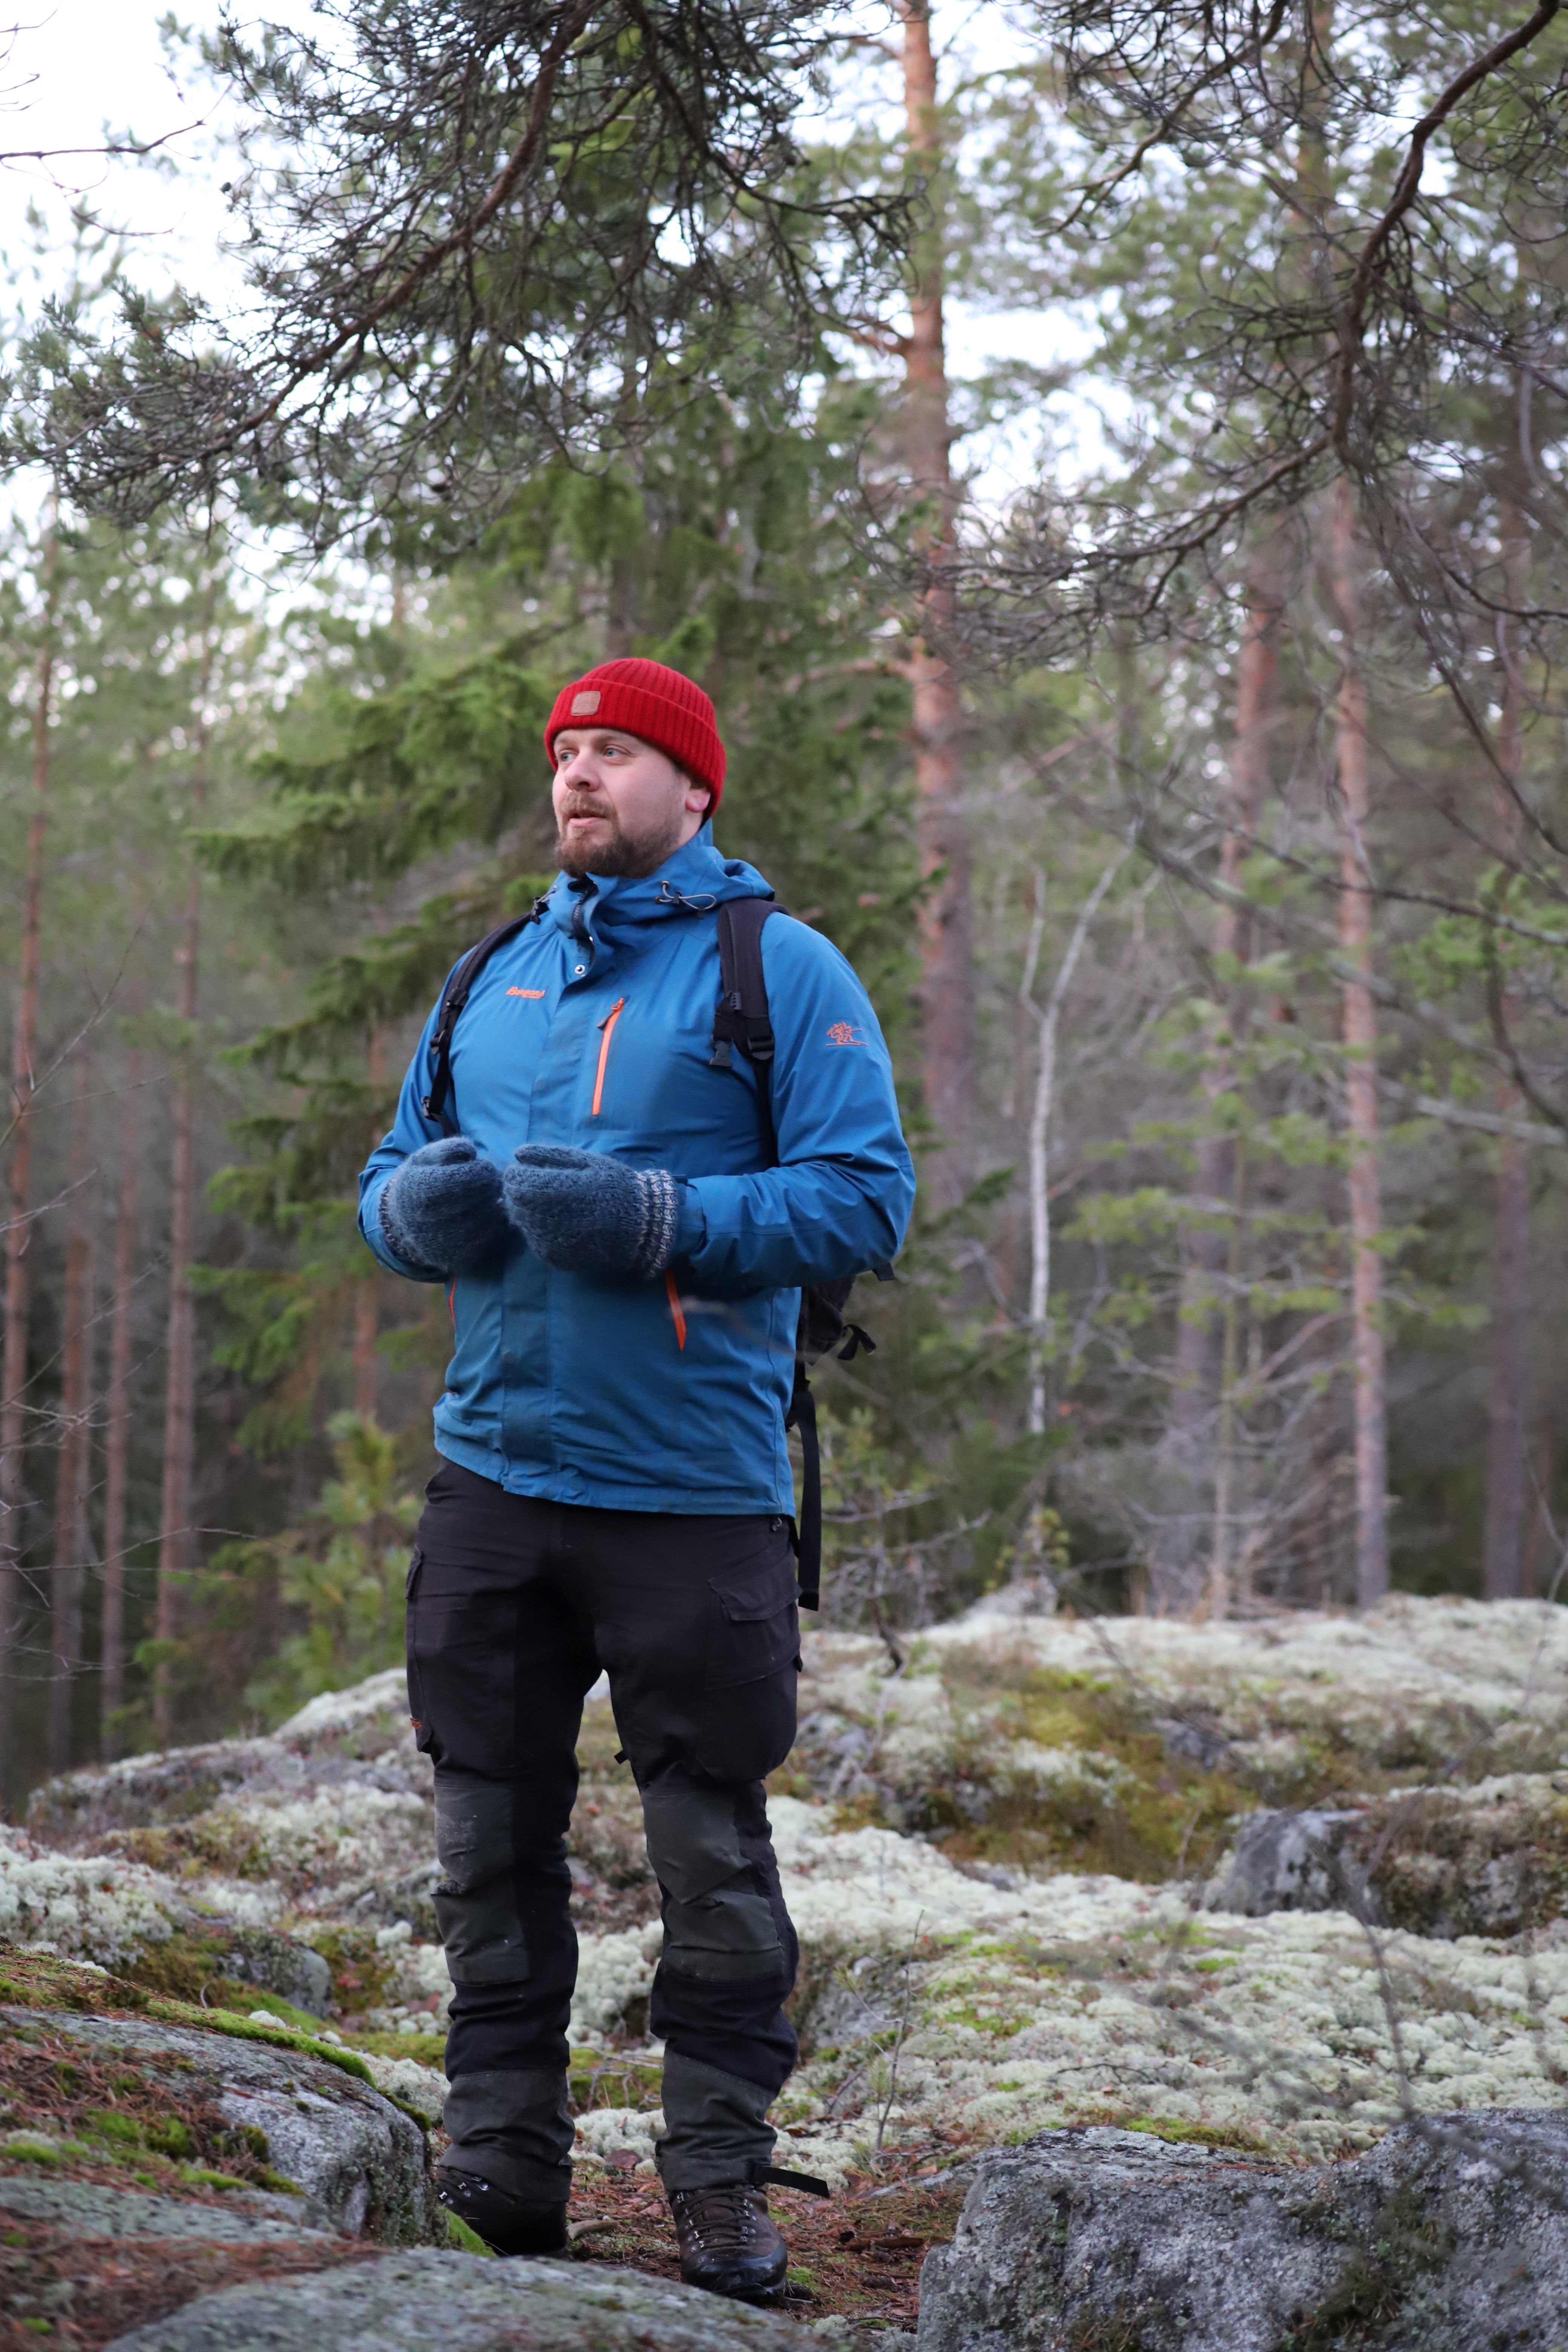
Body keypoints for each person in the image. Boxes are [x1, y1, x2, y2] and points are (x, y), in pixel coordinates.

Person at [358, 657, 915, 2297]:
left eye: (616, 752)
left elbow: (861, 1201)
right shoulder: (494, 975)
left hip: (690, 1496)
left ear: (694, 788)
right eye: (566, 752)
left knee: (708, 1859)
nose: (580, 776)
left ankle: (719, 2193)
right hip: (494, 1479)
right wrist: (415, 1218)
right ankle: (503, 2171)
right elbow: (390, 1178)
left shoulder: (778, 971)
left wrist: (668, 1224)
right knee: (484, 1841)